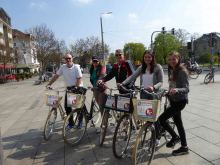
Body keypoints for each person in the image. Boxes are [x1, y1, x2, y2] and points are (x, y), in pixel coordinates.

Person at [120, 50, 164, 146]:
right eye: (145, 57)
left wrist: (154, 87)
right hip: (143, 93)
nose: (147, 59)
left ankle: (157, 137)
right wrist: (123, 83)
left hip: (154, 94)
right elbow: (132, 76)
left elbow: (161, 81)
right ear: (143, 58)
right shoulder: (141, 67)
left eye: (149, 57)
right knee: (147, 116)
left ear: (152, 58)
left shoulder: (158, 67)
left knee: (154, 117)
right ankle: (152, 132)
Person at [158, 51, 189, 156]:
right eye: (170, 59)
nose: (172, 61)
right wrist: (167, 92)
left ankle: (175, 137)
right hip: (173, 100)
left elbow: (186, 88)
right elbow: (172, 85)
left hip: (180, 101)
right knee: (179, 123)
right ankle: (184, 147)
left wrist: (176, 90)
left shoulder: (182, 71)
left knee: (161, 119)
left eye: (174, 59)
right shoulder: (172, 69)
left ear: (178, 59)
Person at [46, 53, 83, 129]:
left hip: (77, 87)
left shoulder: (76, 67)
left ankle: (80, 121)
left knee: (77, 106)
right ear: (64, 60)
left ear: (72, 58)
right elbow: (56, 76)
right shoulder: (63, 67)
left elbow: (79, 79)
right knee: (67, 107)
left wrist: (75, 88)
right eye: (66, 58)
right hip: (69, 88)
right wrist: (49, 84)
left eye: (69, 58)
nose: (68, 60)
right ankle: (71, 123)